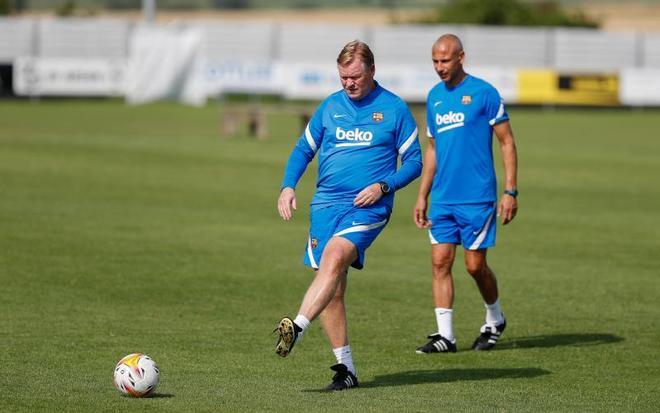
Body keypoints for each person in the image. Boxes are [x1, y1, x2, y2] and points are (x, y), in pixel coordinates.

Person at [274, 40, 422, 390]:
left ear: (372, 70)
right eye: (343, 78)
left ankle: (296, 326)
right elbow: (303, 149)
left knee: (334, 256)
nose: (349, 84)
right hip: (325, 205)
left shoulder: (394, 109)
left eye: (355, 76)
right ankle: (347, 370)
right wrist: (288, 186)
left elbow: (415, 161)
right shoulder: (330, 107)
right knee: (333, 287)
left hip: (367, 206)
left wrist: (384, 185)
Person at [414, 34, 519, 354]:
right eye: (434, 61)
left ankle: (495, 318)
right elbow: (432, 148)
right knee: (439, 263)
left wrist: (510, 190)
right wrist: (422, 195)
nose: (439, 67)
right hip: (443, 198)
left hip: (476, 197)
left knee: (474, 266)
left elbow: (507, 142)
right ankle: (445, 336)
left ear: (461, 57)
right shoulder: (434, 97)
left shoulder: (484, 93)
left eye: (444, 60)